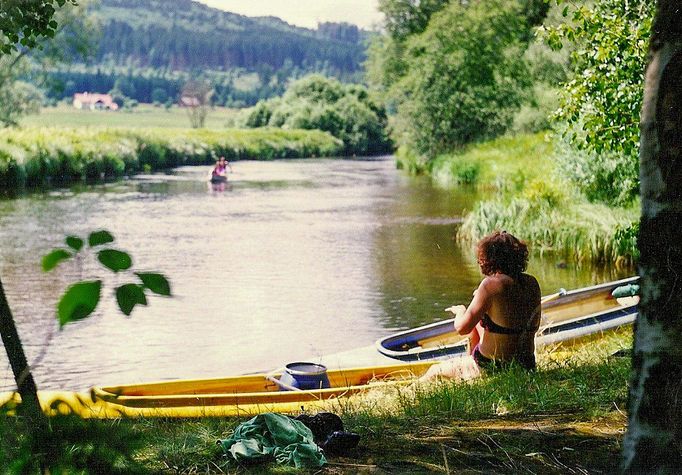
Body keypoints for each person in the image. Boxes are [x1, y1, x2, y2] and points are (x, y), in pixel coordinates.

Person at [422, 231, 541, 380]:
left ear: (488, 259)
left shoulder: (490, 285)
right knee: (480, 322)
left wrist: (461, 311)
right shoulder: (532, 282)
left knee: (434, 370)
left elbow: (462, 328)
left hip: (494, 367)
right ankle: (469, 364)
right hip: (527, 365)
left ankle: (411, 390)